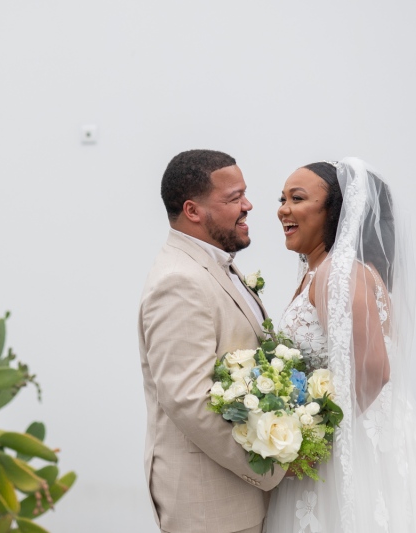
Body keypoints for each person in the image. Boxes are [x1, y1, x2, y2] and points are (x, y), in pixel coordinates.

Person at [263, 158, 416, 532]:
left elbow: (374, 368)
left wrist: (315, 442)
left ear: (335, 212)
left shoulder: (338, 273)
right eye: (282, 199)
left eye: (297, 198)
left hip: (351, 450)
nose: (283, 209)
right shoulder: (327, 270)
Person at [138, 149, 286, 533]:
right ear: (193, 211)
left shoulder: (216, 264)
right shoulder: (179, 281)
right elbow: (189, 398)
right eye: (233, 198)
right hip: (210, 505)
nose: (248, 205)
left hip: (237, 498)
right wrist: (270, 463)